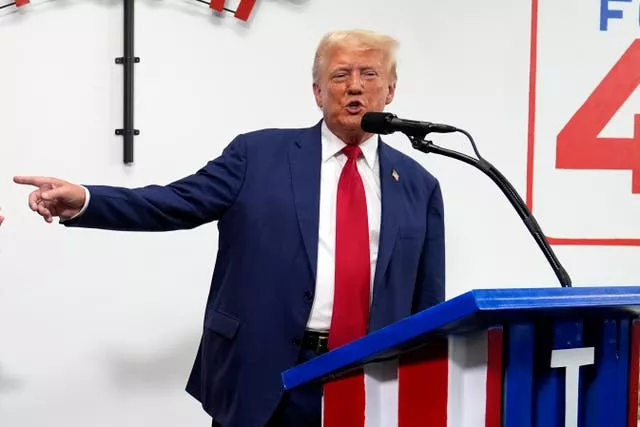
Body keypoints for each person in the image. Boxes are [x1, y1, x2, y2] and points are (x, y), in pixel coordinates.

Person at [14, 29, 445, 427]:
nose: (354, 86)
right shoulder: (257, 155)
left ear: (390, 89)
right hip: (265, 374)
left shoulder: (418, 186)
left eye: (369, 74)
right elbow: (173, 204)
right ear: (317, 92)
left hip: (369, 382)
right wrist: (86, 199)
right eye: (339, 75)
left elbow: (428, 304)